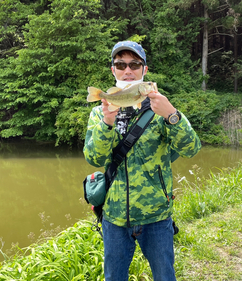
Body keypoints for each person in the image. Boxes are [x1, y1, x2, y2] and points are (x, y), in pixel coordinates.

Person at [83, 41, 201, 281]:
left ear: (144, 70)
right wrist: (106, 123)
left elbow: (192, 149)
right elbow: (93, 158)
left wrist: (171, 114)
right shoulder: (100, 111)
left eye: (135, 64)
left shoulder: (161, 108)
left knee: (165, 276)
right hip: (114, 217)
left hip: (156, 215)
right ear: (113, 70)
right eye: (121, 64)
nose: (128, 70)